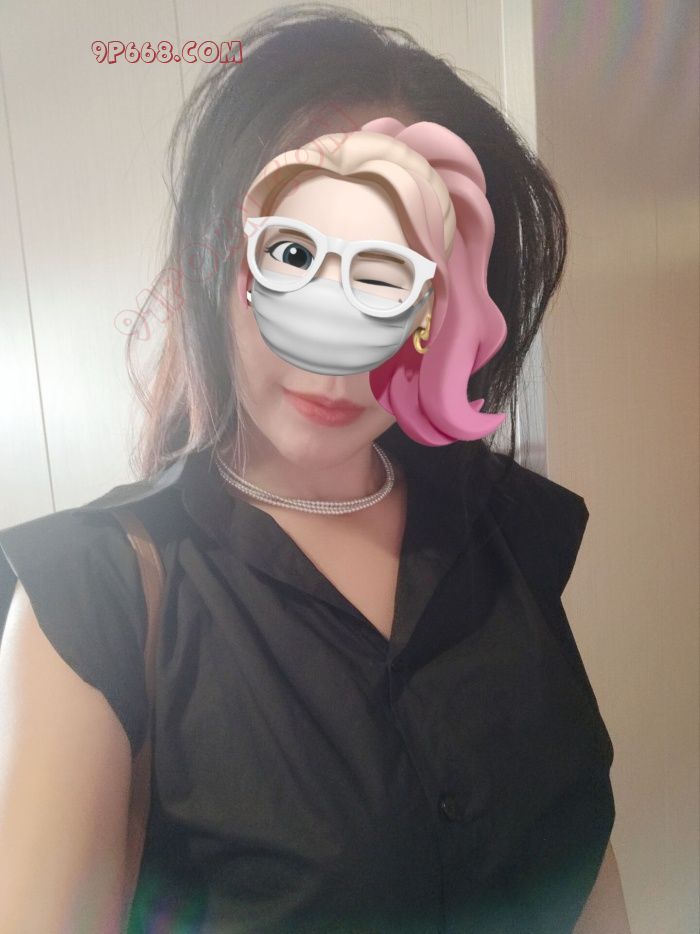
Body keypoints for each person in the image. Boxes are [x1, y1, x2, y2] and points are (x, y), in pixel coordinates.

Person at [0, 5, 631, 933]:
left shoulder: (509, 528)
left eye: (386, 278)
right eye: (295, 258)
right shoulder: (98, 602)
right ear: (218, 257)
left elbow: (584, 861)